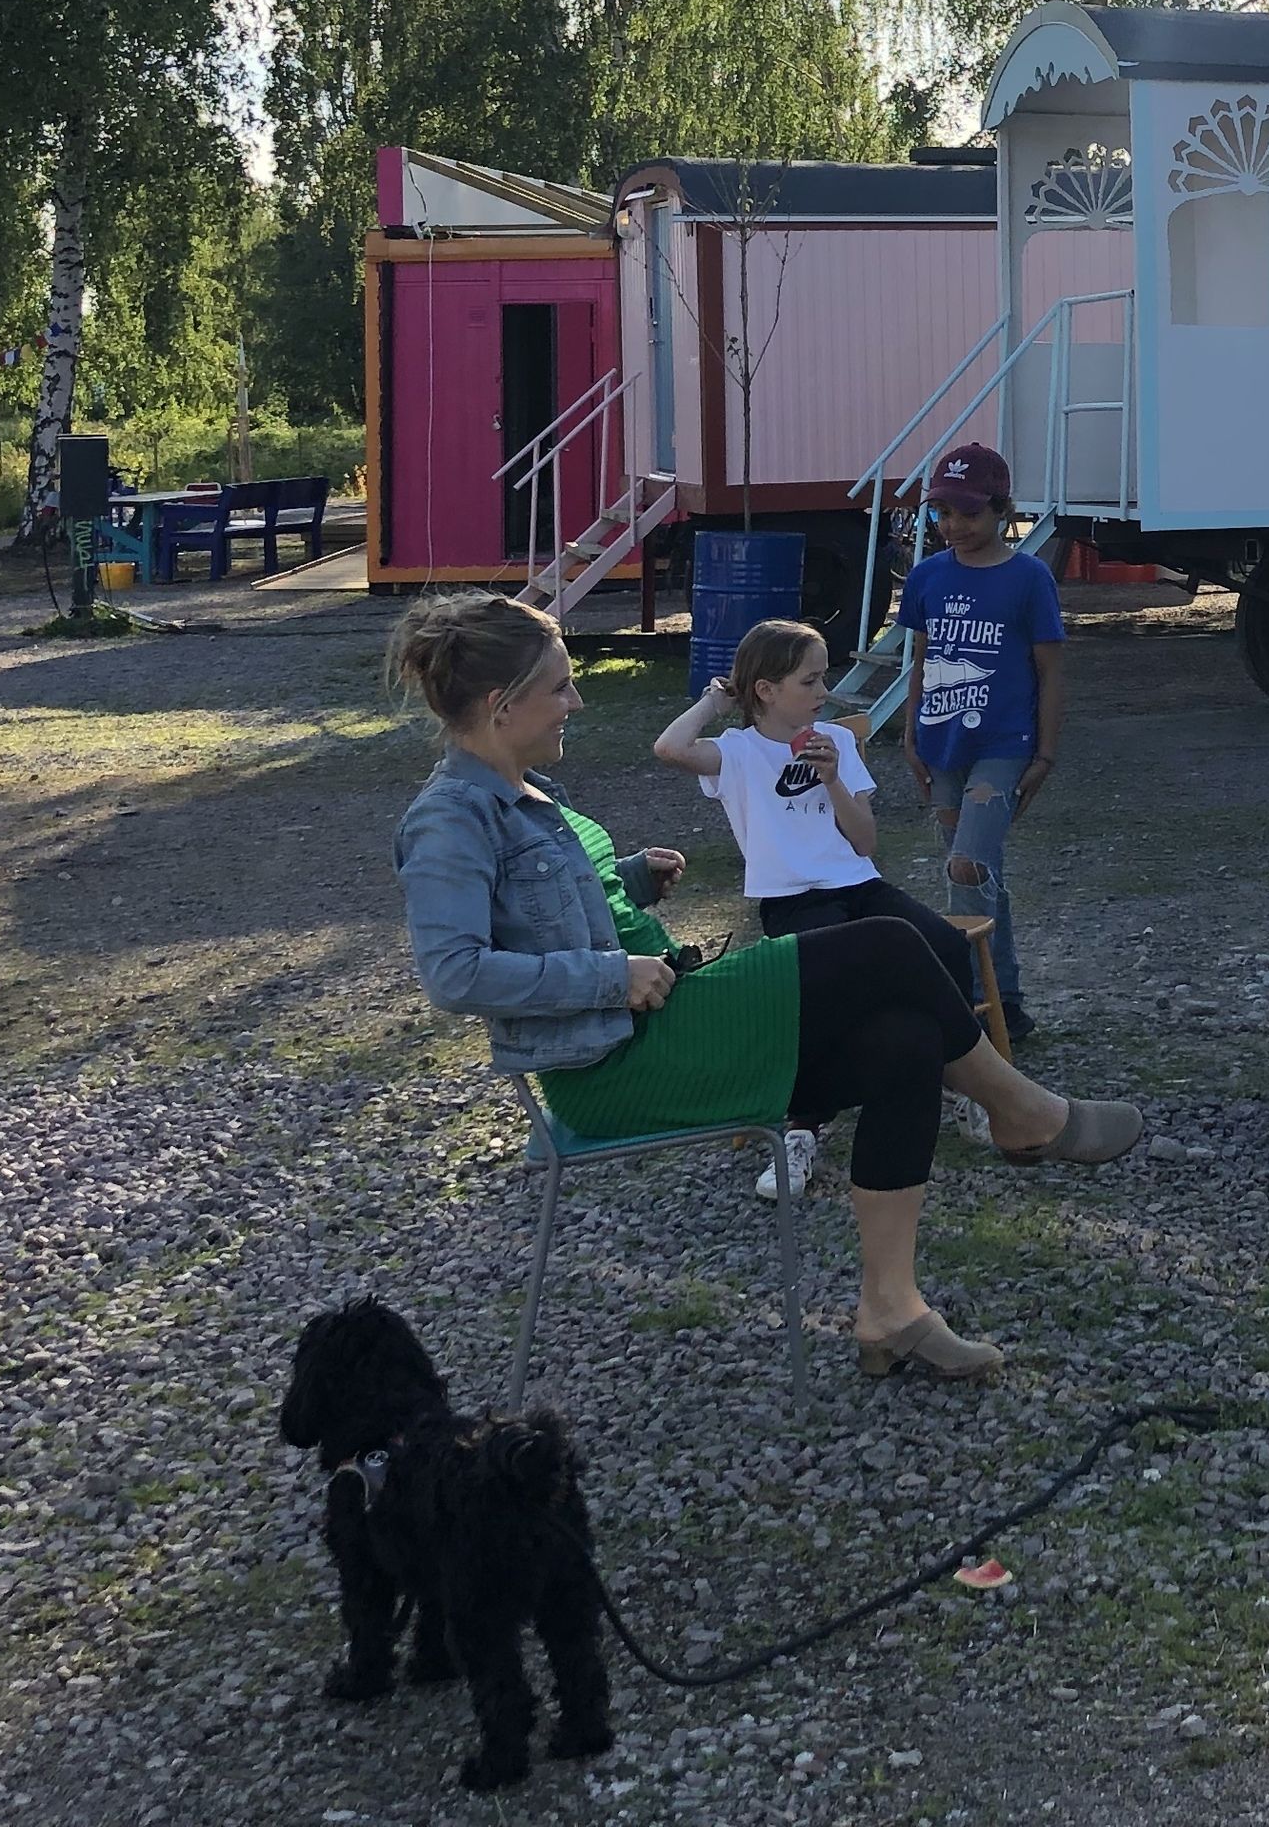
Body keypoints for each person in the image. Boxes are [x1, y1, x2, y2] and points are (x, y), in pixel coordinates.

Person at [389, 593, 1141, 1384]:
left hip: (666, 1020)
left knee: (906, 1044)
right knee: (888, 943)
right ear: (500, 705)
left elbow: (555, 915)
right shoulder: (448, 819)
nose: (576, 701)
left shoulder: (537, 792)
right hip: (611, 1070)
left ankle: (892, 1309)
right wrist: (610, 976)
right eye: (561, 687)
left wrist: (633, 883)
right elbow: (455, 973)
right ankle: (1024, 1111)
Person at [654, 618, 983, 992]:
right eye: (809, 681)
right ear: (766, 690)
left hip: (859, 885)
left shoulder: (837, 740)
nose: (823, 692)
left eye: (824, 677)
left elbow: (865, 844)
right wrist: (713, 702)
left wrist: (833, 780)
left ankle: (949, 1047)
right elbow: (669, 748)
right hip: (792, 900)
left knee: (946, 946)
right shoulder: (739, 751)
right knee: (851, 972)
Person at [892, 441, 1066, 1044]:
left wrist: (1044, 753)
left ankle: (973, 1003)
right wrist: (910, 736)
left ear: (1000, 510)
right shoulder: (926, 577)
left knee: (967, 868)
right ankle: (1006, 1001)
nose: (953, 527)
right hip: (941, 743)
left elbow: (1050, 671)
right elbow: (921, 659)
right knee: (977, 873)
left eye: (968, 513)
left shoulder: (1029, 578)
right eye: (942, 513)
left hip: (1004, 743)